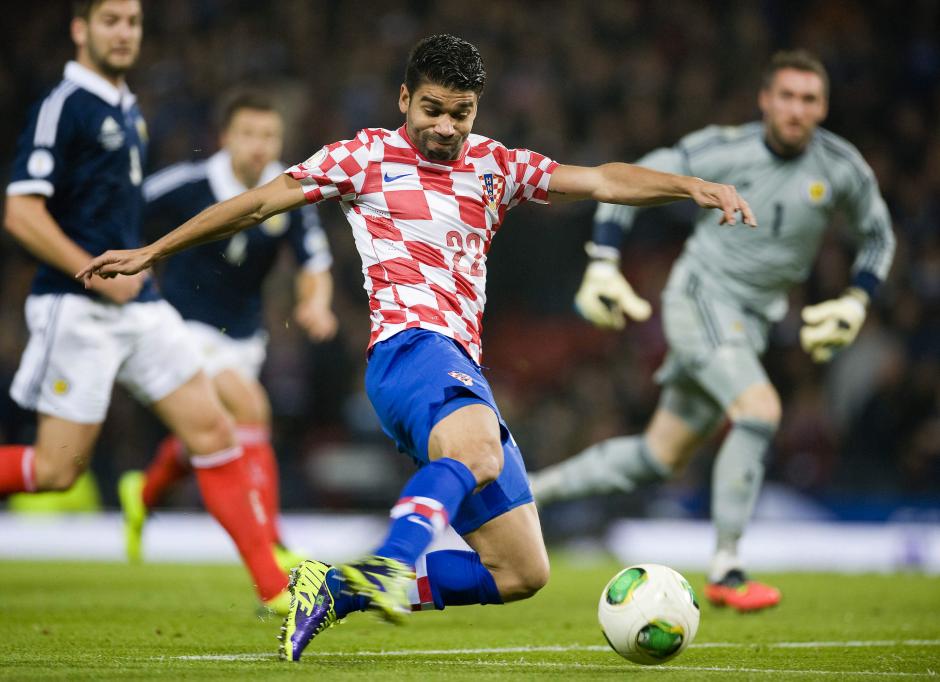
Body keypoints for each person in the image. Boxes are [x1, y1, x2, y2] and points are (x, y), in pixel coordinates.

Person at [77, 33, 755, 661]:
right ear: (404, 98)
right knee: (480, 451)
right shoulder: (363, 157)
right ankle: (390, 557)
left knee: (521, 571)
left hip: (458, 364)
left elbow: (603, 179)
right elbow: (258, 204)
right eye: (432, 108)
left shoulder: (495, 165)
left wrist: (686, 187)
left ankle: (335, 590)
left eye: (461, 112)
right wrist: (153, 250)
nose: (446, 126)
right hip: (408, 349)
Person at [529, 50, 896, 611]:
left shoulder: (842, 167)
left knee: (658, 457)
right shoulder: (724, 148)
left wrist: (856, 300)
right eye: (787, 96)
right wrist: (603, 258)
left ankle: (527, 491)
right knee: (760, 410)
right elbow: (630, 180)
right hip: (700, 298)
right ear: (765, 100)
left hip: (750, 322)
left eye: (810, 99)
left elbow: (879, 235)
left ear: (823, 106)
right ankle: (727, 568)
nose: (797, 110)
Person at [0, 0, 291, 615]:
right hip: (77, 306)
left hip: (141, 305)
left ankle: (280, 593)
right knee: (57, 472)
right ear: (79, 29)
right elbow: (20, 212)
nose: (124, 32)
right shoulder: (64, 106)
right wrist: (96, 275)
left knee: (214, 430)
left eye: (132, 21)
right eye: (110, 20)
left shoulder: (127, 108)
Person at [117, 90, 337, 569]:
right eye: (249, 134)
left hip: (243, 336)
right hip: (180, 326)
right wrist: (132, 268)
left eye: (269, 135)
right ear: (226, 138)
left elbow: (314, 262)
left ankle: (146, 490)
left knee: (212, 430)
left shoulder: (292, 194)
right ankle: (273, 545)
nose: (259, 146)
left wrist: (315, 304)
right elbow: (123, 213)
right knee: (251, 408)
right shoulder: (189, 184)